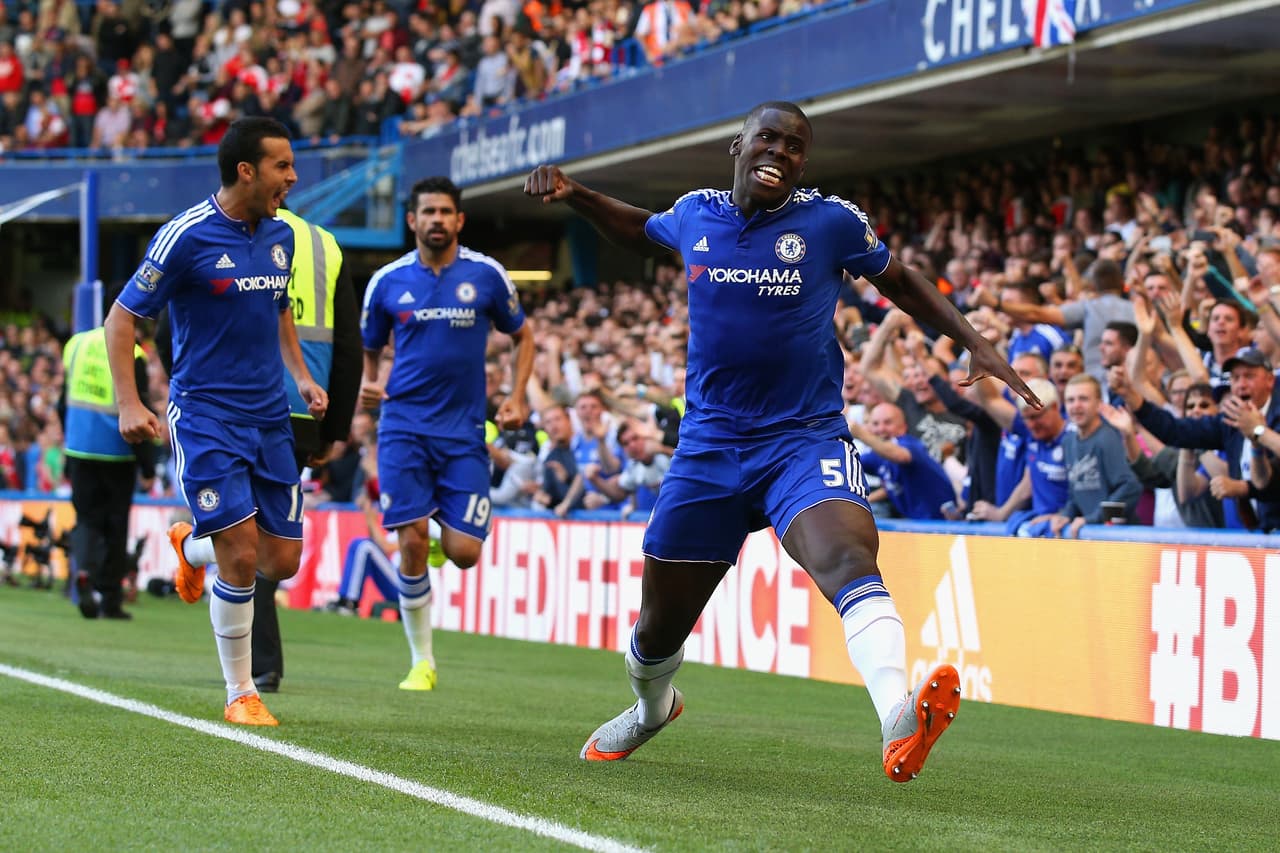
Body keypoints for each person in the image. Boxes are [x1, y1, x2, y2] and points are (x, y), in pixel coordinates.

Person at [524, 101, 1038, 782]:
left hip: (803, 438)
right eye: (767, 138)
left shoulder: (830, 222)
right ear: (737, 146)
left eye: (794, 146)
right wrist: (578, 195)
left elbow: (900, 280)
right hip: (709, 446)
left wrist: (974, 339)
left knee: (848, 557)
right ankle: (653, 708)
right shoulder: (695, 213)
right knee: (655, 631)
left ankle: (897, 718)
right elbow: (641, 231)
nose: (779, 152)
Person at [104, 116, 329, 727]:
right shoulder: (185, 236)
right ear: (246, 171)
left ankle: (190, 545)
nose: (293, 176)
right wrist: (129, 402)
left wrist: (301, 376)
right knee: (241, 553)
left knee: (280, 561)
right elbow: (121, 319)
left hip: (270, 417)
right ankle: (240, 693)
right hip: (206, 416)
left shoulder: (281, 235)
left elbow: (278, 309)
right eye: (282, 165)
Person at [359, 175, 535, 691]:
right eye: (427, 212)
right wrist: (370, 382)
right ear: (411, 220)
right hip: (403, 426)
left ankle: (441, 530)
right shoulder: (387, 281)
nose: (436, 220)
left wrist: (517, 395)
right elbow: (370, 344)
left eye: (444, 212)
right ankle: (422, 662)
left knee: (464, 553)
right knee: (410, 540)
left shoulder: (486, 275)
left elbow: (523, 336)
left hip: (463, 433)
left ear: (459, 220)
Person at [250, 205, 362, 694]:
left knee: (240, 530)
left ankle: (253, 660)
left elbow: (175, 328)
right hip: (299, 413)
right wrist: (332, 430)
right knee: (268, 537)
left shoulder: (220, 229)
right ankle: (261, 664)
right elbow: (348, 346)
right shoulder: (323, 244)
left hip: (229, 405)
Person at [62, 313, 157, 619]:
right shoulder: (134, 352)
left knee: (86, 519)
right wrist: (148, 466)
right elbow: (139, 409)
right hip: (117, 451)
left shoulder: (76, 345)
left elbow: (63, 402)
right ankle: (110, 599)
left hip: (78, 447)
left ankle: (83, 572)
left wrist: (68, 445)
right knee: (115, 527)